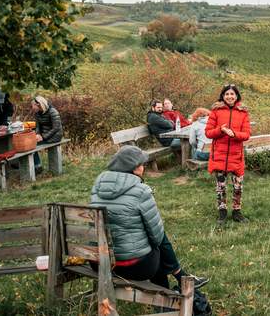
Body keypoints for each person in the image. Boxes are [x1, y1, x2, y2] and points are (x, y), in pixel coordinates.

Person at [90, 145, 208, 290]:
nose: (144, 167)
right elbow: (157, 237)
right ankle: (171, 290)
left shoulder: (97, 185)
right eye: (143, 164)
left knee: (150, 243)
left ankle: (179, 277)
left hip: (98, 262)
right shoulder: (141, 191)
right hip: (132, 267)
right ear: (134, 167)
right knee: (158, 243)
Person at [206, 85, 251, 224]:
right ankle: (222, 212)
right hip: (219, 154)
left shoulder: (243, 113)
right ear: (222, 96)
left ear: (237, 96)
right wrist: (221, 130)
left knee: (238, 186)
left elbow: (246, 134)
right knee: (221, 186)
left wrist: (234, 134)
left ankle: (237, 212)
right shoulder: (215, 111)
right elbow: (208, 133)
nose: (229, 96)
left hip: (236, 156)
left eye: (232, 94)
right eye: (227, 94)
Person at [32, 96, 63, 174]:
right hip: (44, 135)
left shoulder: (53, 111)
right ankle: (37, 166)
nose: (32, 107)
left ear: (39, 104)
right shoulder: (37, 113)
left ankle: (37, 167)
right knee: (31, 143)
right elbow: (37, 126)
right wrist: (38, 134)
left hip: (55, 136)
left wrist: (43, 137)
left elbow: (56, 128)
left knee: (32, 145)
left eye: (33, 105)